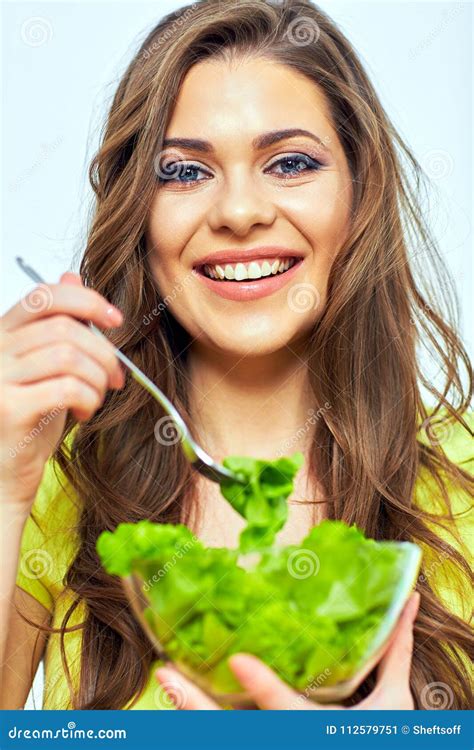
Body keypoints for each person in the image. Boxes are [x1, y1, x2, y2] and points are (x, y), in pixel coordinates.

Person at [1, 0, 472, 711]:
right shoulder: (55, 488)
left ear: (359, 194)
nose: (240, 212)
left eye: (290, 163)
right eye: (184, 172)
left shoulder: (465, 487)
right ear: (139, 215)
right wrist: (5, 482)